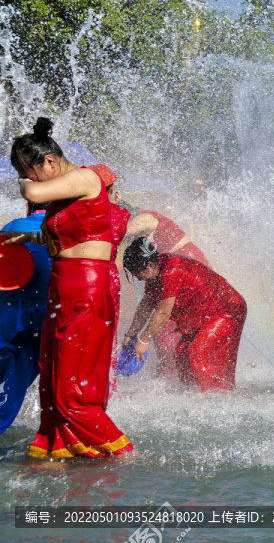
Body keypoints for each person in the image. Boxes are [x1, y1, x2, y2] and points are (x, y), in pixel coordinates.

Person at [4, 117, 132, 458]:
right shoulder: (68, 192)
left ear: (49, 160)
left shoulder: (86, 177)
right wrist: (27, 236)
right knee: (51, 382)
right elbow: (73, 236)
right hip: (64, 287)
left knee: (69, 390)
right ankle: (59, 452)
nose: (28, 179)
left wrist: (26, 182)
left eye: (28, 170)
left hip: (86, 288)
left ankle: (127, 457)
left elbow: (32, 192)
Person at [122, 238, 246, 392]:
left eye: (137, 271)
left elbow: (163, 312)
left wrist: (144, 339)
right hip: (205, 315)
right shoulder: (155, 274)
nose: (137, 277)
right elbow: (145, 306)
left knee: (197, 354)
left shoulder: (172, 270)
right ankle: (194, 398)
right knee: (182, 356)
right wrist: (132, 333)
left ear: (150, 264)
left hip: (227, 310)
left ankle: (212, 400)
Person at [125, 207, 210, 377]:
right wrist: (132, 333)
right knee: (163, 331)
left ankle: (173, 375)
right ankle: (170, 374)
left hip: (186, 272)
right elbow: (146, 304)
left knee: (165, 328)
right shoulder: (155, 267)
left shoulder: (144, 217)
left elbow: (119, 231)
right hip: (170, 272)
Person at [0, 202, 51, 435]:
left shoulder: (12, 226)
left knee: (9, 375)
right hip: (48, 315)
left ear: (28, 205)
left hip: (10, 315)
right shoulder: (62, 230)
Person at [89, 165, 131, 392]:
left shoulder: (74, 209)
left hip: (78, 273)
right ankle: (107, 386)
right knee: (107, 333)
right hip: (108, 277)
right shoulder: (121, 214)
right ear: (112, 189)